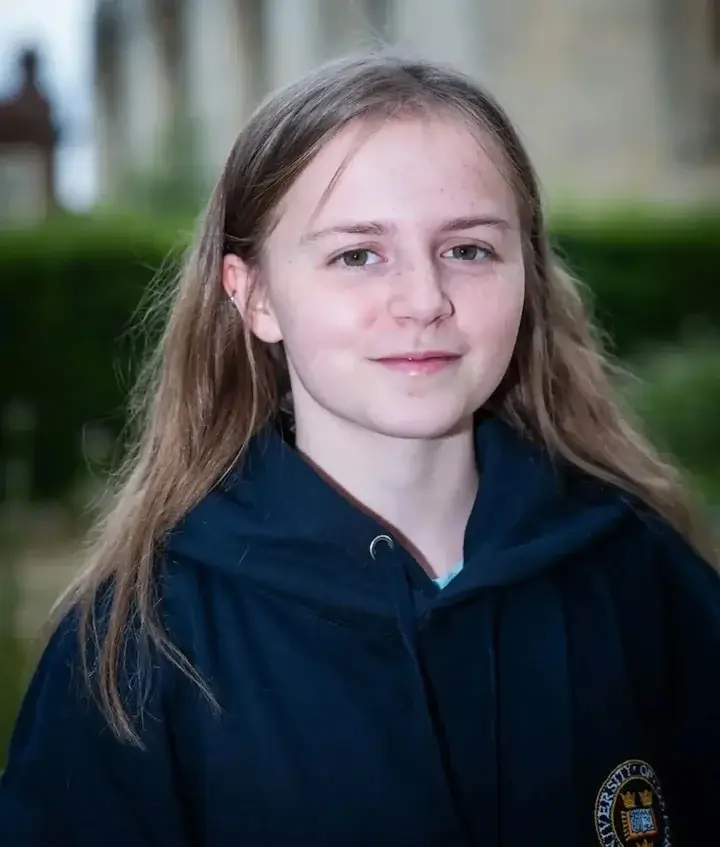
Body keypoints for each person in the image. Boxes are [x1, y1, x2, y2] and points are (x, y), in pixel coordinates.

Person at [0, 52, 718, 847]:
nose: (423, 300)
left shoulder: (638, 575)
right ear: (255, 295)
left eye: (468, 249)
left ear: (527, 272)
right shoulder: (136, 649)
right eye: (357, 255)